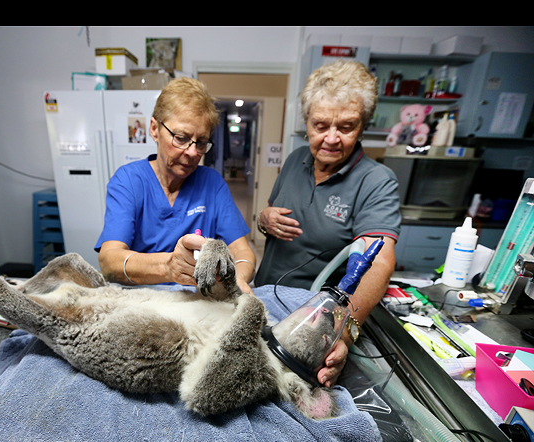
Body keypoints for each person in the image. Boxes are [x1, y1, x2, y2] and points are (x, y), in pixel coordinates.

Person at [254, 60, 401, 387]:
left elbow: (378, 262)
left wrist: (344, 335)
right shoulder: (295, 160)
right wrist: (264, 220)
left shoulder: (376, 181)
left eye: (346, 127)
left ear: (363, 126)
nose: (332, 139)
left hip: (311, 322)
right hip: (263, 300)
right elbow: (271, 211)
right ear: (306, 123)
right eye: (321, 126)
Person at [95, 77, 256, 294]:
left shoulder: (212, 183)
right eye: (181, 138)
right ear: (154, 129)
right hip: (141, 299)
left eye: (201, 143)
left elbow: (243, 251)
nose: (192, 153)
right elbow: (108, 261)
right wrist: (169, 267)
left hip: (196, 301)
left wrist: (239, 279)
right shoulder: (129, 181)